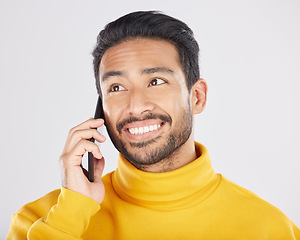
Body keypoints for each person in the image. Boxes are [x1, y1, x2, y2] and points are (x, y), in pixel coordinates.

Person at [7, 11, 300, 239]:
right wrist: (71, 215)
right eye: (116, 88)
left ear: (196, 97)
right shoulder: (40, 223)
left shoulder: (271, 230)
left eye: (155, 81)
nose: (135, 106)